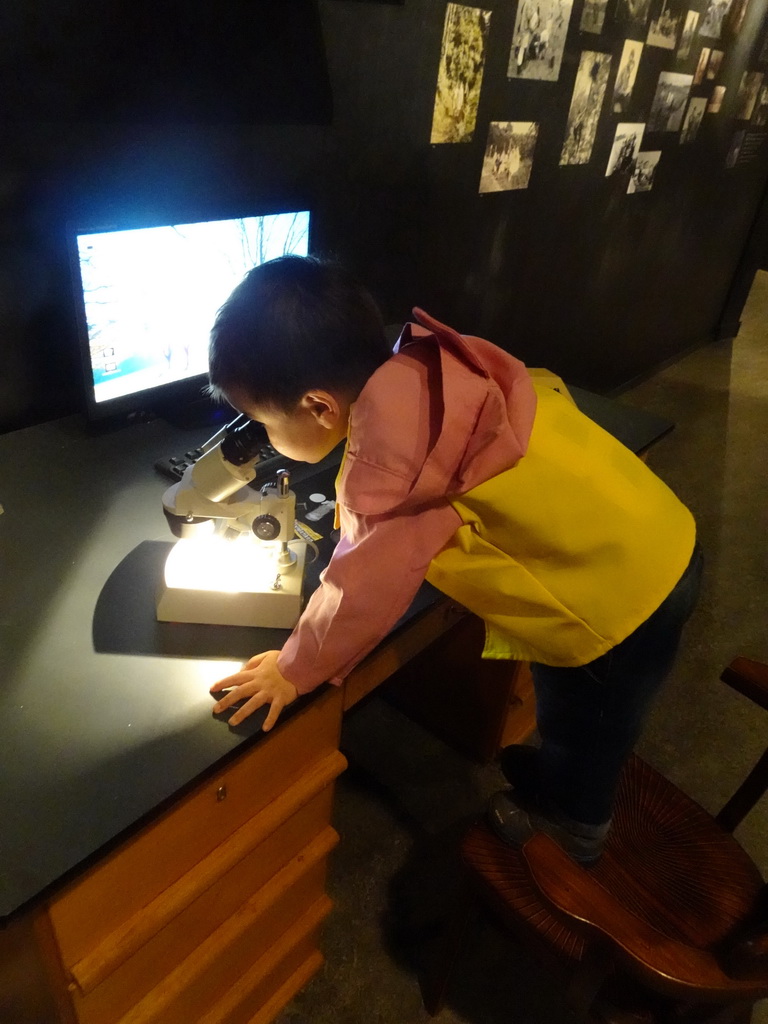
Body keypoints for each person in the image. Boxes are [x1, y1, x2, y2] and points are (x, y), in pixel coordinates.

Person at [206, 254, 702, 864]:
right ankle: (559, 772)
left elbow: (363, 591)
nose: (264, 437)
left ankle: (575, 828)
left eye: (262, 422)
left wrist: (294, 669)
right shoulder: (431, 367)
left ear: (318, 407)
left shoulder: (398, 467)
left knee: (587, 719)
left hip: (625, 600)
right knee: (578, 708)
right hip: (656, 528)